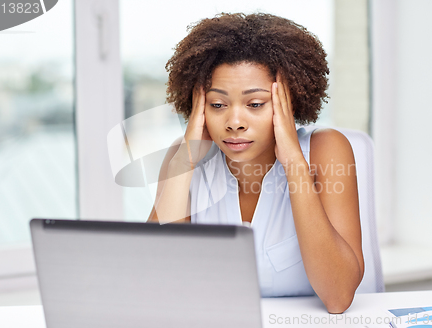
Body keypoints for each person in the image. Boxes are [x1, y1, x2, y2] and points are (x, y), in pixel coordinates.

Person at [148, 12, 363, 314]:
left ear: (289, 103)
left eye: (255, 104)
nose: (234, 122)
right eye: (218, 104)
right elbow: (153, 286)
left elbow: (338, 297)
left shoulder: (326, 150)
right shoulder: (184, 159)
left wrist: (293, 163)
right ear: (199, 107)